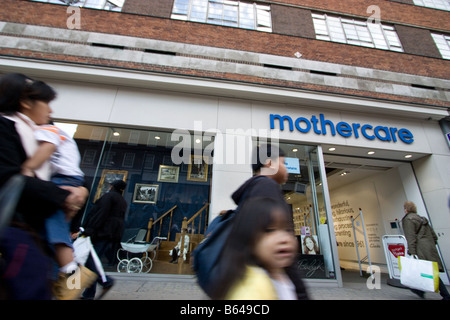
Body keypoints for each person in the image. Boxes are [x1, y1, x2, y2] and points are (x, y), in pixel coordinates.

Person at [0, 73, 94, 299]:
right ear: (25, 101)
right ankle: (74, 279)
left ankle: (74, 281)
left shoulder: (38, 132)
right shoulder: (6, 128)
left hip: (33, 234)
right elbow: (9, 177)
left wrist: (80, 190)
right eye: (46, 102)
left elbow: (63, 174)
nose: (51, 110)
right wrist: (64, 196)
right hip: (15, 230)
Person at [20, 121, 95, 299]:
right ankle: (59, 280)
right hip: (68, 179)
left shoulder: (46, 130)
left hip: (61, 181)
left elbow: (48, 147)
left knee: (55, 226)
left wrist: (27, 168)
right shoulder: (62, 135)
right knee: (52, 234)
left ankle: (72, 276)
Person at [229, 143, 308, 299]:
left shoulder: (252, 189)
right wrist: (301, 293)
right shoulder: (266, 187)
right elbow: (281, 248)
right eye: (283, 163)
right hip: (268, 285)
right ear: (270, 163)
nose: (286, 169)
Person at [212, 197, 299, 299]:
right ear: (249, 239)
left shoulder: (280, 275)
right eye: (270, 230)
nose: (283, 239)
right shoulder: (252, 287)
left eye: (288, 229)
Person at [81, 179, 127, 299]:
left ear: (112, 187)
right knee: (94, 262)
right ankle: (89, 294)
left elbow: (100, 213)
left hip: (101, 232)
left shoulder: (108, 197)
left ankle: (105, 281)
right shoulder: (122, 201)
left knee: (90, 261)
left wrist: (89, 229)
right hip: (111, 234)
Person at [402, 201, 450, 300]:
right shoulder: (422, 219)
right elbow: (434, 236)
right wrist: (430, 245)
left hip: (420, 249)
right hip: (429, 248)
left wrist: (412, 252)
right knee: (426, 270)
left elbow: (410, 237)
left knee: (425, 271)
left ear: (406, 210)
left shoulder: (408, 220)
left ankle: (445, 295)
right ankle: (419, 290)